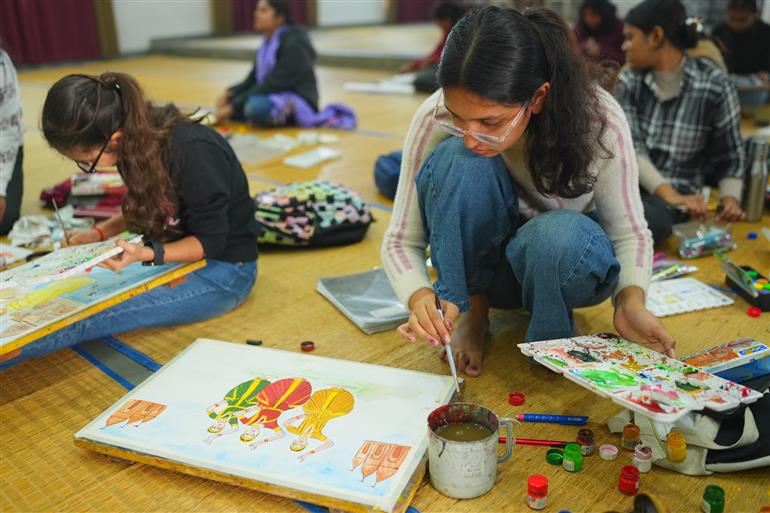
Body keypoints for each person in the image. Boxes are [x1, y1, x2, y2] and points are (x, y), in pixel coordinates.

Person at [381, 6, 674, 377]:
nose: (471, 136)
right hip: (490, 276)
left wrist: (631, 300)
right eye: (458, 118)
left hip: (566, 264)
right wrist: (419, 295)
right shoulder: (435, 116)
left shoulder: (599, 120)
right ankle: (471, 310)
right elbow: (400, 240)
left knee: (555, 235)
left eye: (490, 122)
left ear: (537, 98)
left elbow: (629, 234)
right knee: (460, 160)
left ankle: (552, 325)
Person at [0, 72, 259, 369]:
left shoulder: (193, 151)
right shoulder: (132, 137)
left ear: (114, 139)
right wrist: (98, 233)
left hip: (225, 270)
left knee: (77, 315)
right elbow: (152, 202)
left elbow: (211, 241)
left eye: (87, 161)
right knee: (52, 290)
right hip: (175, 252)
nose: (88, 168)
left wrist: (149, 254)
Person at [616, 0, 746, 246]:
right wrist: (670, 194)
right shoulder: (629, 81)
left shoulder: (715, 86)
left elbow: (730, 155)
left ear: (655, 36)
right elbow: (630, 148)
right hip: (629, 190)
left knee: (650, 219)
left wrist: (730, 199)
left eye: (630, 37)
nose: (625, 47)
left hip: (670, 206)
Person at [215, 0, 317, 126]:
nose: (256, 14)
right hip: (272, 93)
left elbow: (273, 84)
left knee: (254, 107)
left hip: (296, 99)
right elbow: (252, 80)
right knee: (230, 103)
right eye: (257, 10)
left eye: (263, 10)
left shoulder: (294, 43)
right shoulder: (267, 44)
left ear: (280, 17)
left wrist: (234, 106)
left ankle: (287, 117)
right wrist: (230, 93)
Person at [400, 2, 466, 94]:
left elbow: (460, 56)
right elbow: (436, 53)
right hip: (443, 67)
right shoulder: (449, 31)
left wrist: (435, 60)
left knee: (422, 82)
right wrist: (414, 66)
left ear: (446, 20)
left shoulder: (464, 31)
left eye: (438, 21)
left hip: (459, 69)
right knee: (421, 80)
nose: (437, 25)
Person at [712, 0, 770, 76]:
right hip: (726, 77)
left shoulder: (766, 32)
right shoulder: (719, 32)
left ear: (755, 15)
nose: (736, 24)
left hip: (758, 81)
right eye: (732, 19)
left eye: (743, 19)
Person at [0, 48, 24, 235]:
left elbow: (8, 130)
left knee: (4, 220)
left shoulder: (2, 66)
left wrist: (0, 188)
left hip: (4, 150)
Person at [574, 0, 625, 65]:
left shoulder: (619, 27)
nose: (588, 19)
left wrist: (601, 51)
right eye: (585, 15)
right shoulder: (580, 27)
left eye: (593, 15)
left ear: (604, 14)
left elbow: (625, 58)